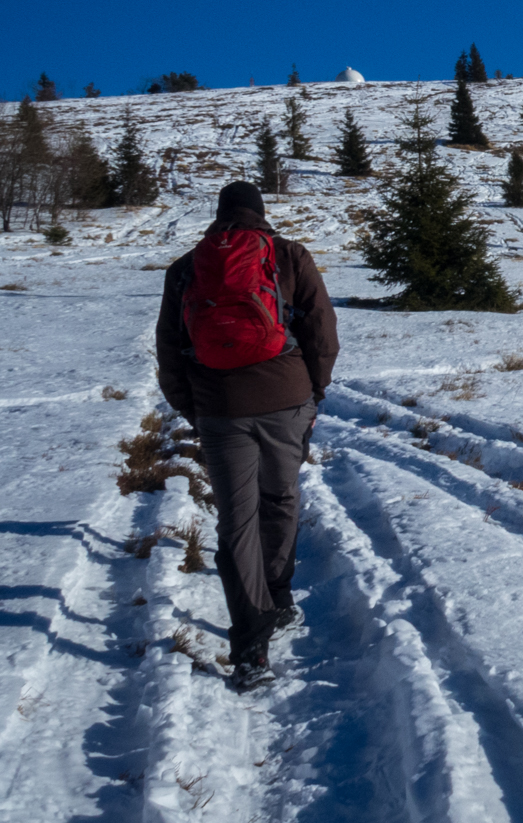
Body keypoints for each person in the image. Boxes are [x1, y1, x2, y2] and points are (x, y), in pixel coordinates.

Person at [156, 180, 339, 690]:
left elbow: (169, 350)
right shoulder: (287, 255)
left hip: (219, 409)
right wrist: (314, 394)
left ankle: (250, 646)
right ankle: (279, 597)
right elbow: (322, 331)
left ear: (218, 216)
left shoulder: (186, 268)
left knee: (237, 522)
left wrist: (194, 409)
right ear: (261, 213)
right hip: (287, 398)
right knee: (280, 498)